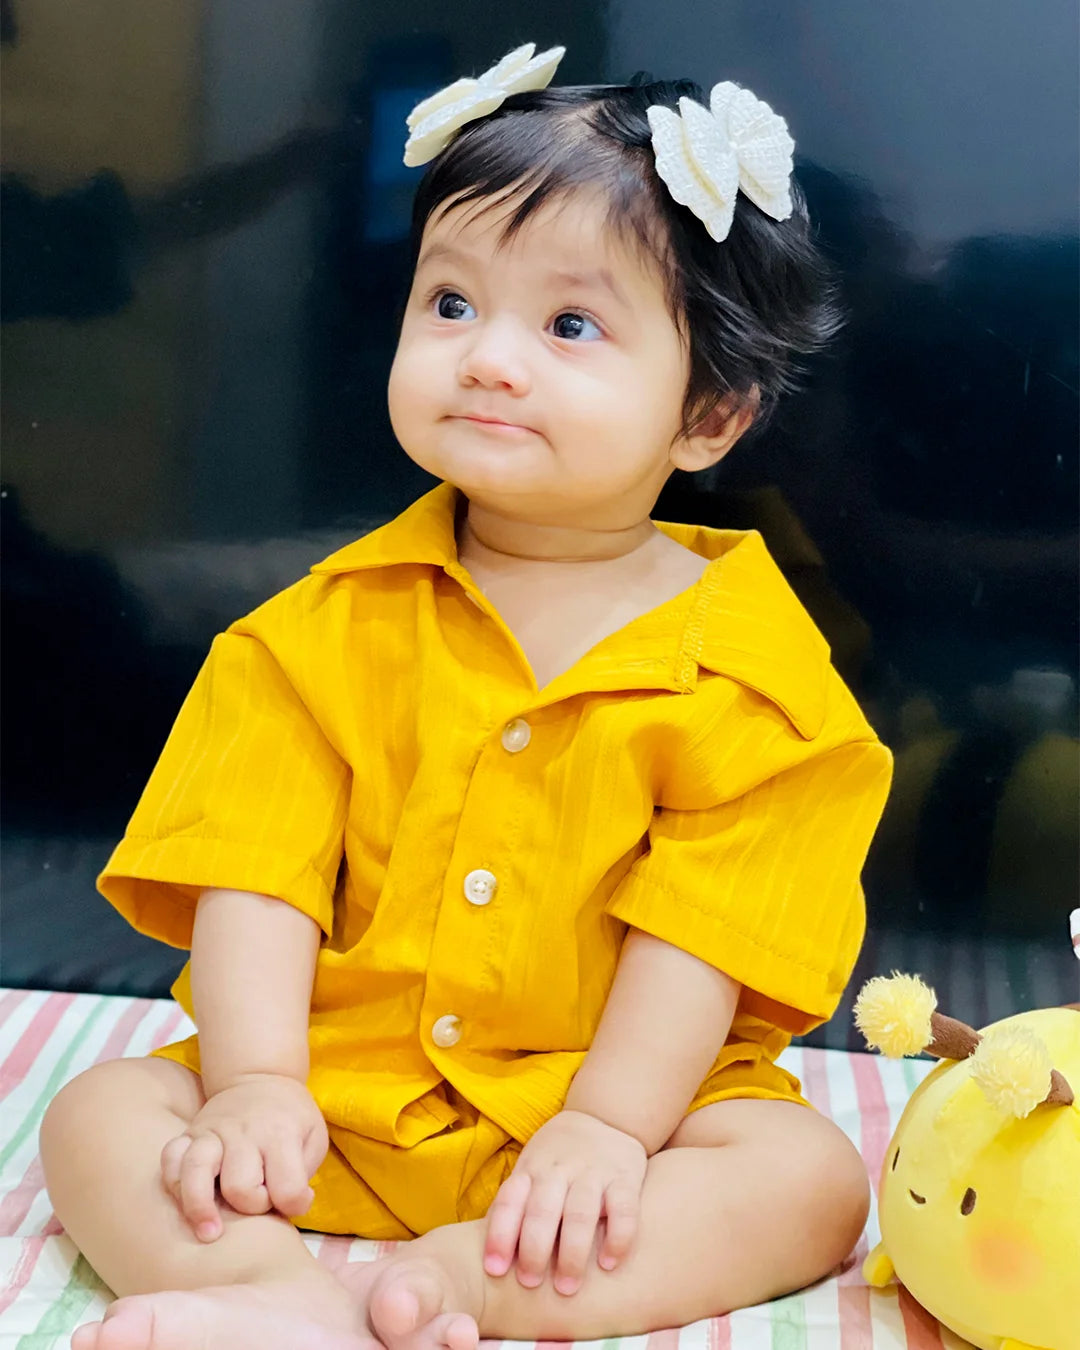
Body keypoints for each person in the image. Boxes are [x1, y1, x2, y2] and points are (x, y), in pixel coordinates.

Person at [40, 42, 894, 1350]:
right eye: (450, 302)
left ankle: (456, 1284)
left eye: (569, 326)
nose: (487, 358)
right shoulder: (312, 632)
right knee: (101, 1119)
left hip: (614, 1131)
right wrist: (256, 1085)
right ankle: (268, 1289)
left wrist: (606, 1128)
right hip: (331, 1096)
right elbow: (255, 880)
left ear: (711, 414)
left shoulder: (764, 686)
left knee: (810, 1182)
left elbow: (701, 944)